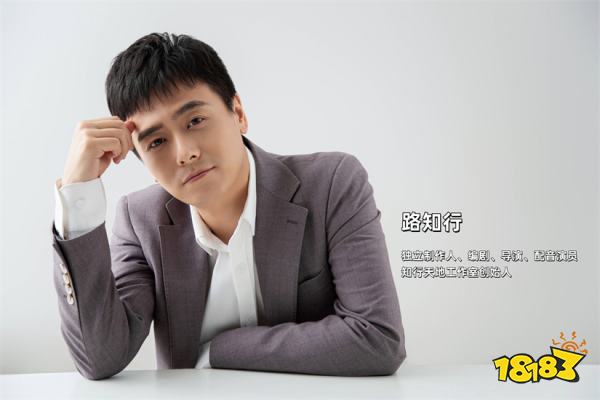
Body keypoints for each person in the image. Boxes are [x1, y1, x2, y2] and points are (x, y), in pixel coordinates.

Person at [51, 32, 406, 380]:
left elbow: (377, 337)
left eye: (195, 121)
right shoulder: (140, 221)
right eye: (157, 142)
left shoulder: (331, 184)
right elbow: (102, 357)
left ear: (238, 113)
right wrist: (77, 195)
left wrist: (219, 350)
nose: (185, 153)